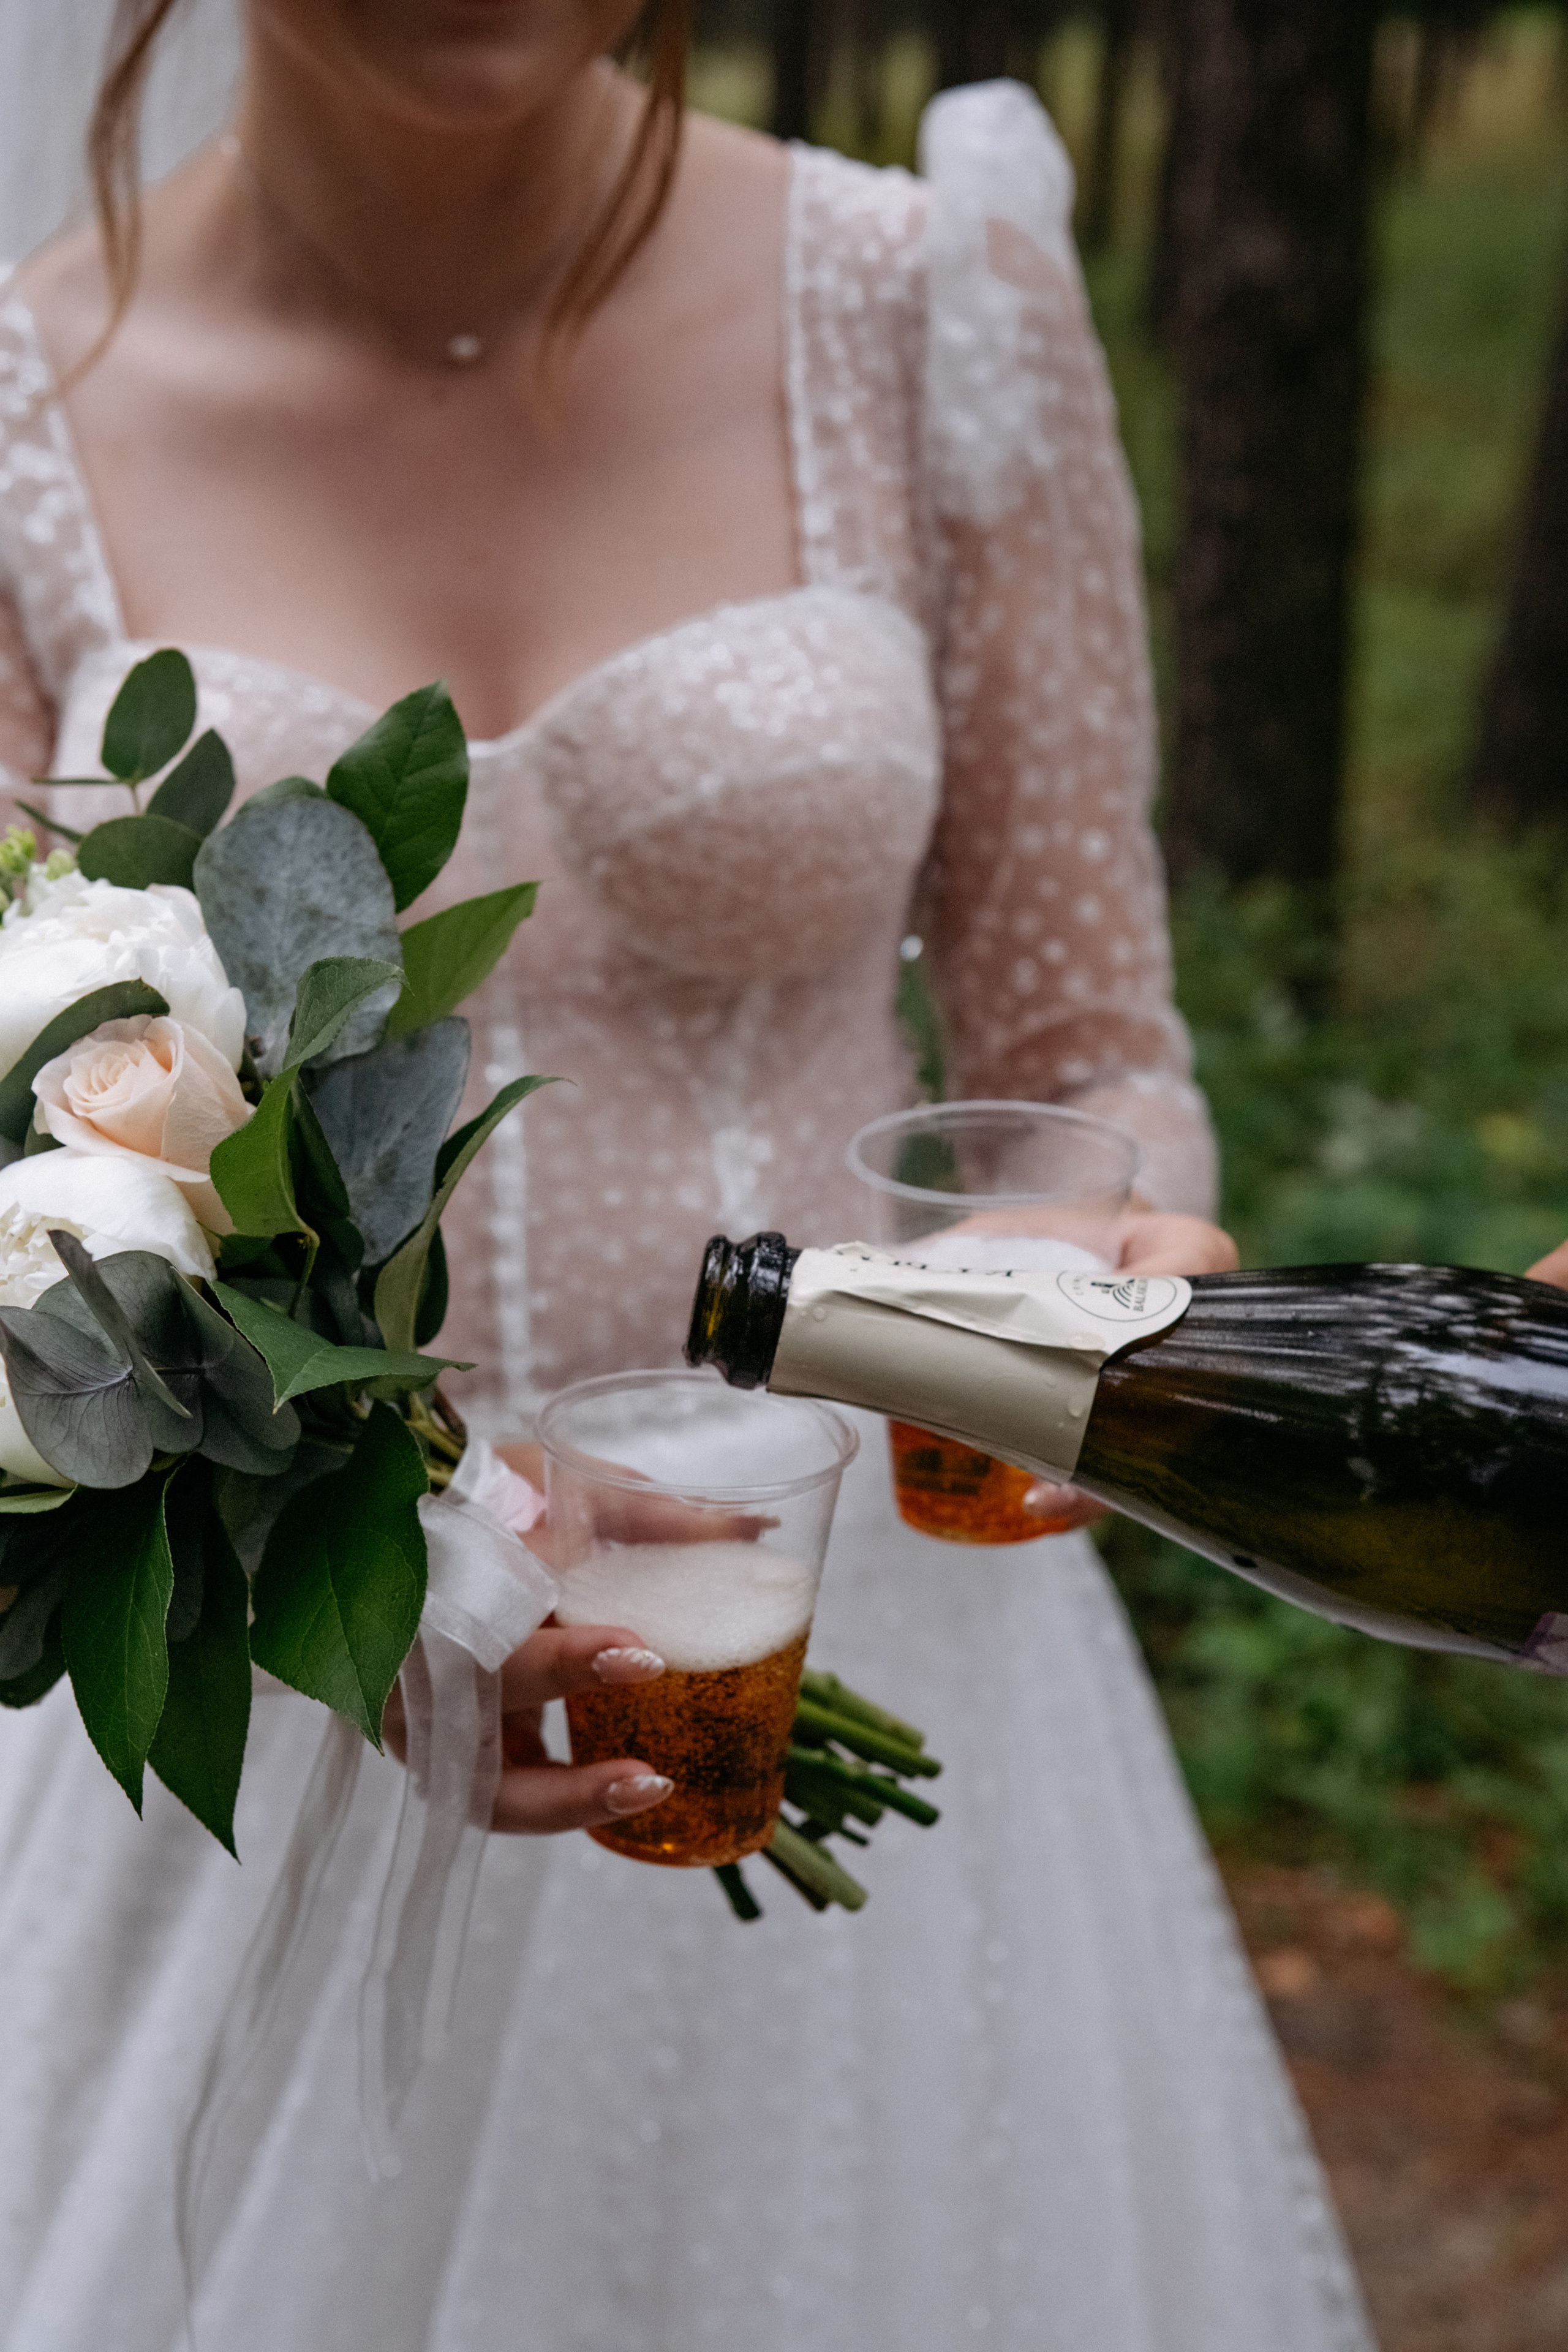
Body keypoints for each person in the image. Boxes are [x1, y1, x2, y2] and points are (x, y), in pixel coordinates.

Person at [0, 4, 1376, 2346]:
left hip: (859, 1612)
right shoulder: (28, 409)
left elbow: (1090, 1053)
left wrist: (1084, 1252)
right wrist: (365, 1567)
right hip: (299, 1699)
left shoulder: (926, 302)